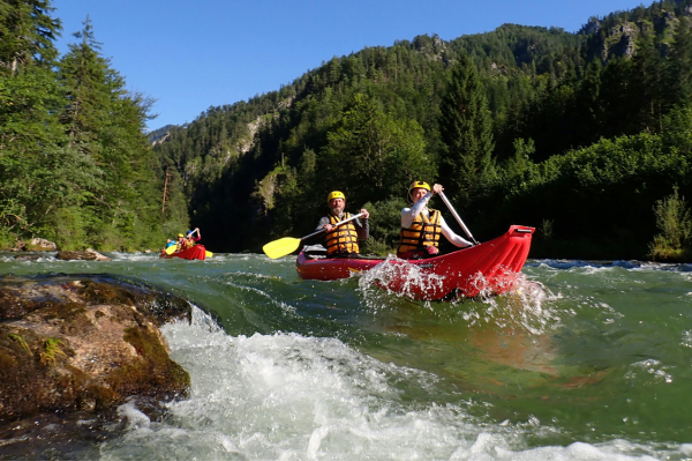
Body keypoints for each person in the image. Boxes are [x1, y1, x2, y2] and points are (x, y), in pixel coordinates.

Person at [397, 181, 473, 259]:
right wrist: (429, 193)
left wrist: (470, 245)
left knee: (434, 251)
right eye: (417, 193)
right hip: (408, 257)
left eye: (424, 193)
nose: (421, 196)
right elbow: (414, 213)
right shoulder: (406, 212)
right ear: (411, 197)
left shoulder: (436, 215)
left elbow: (452, 237)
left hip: (428, 255)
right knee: (431, 250)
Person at [316, 191, 369, 256]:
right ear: (329, 204)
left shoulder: (352, 217)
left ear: (344, 203)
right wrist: (324, 229)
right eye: (334, 201)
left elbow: (364, 236)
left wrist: (365, 220)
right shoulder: (326, 219)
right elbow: (316, 235)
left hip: (353, 254)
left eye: (340, 201)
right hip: (335, 256)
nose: (337, 204)